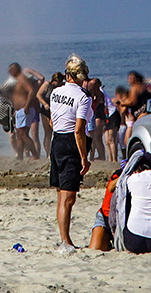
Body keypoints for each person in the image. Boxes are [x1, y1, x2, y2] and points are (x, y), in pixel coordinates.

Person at [48, 57, 95, 253]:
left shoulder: (55, 93)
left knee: (62, 196)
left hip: (57, 140)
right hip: (71, 143)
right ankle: (65, 241)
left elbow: (52, 121)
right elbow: (79, 129)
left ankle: (64, 238)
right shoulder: (83, 97)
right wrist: (84, 157)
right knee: (68, 198)